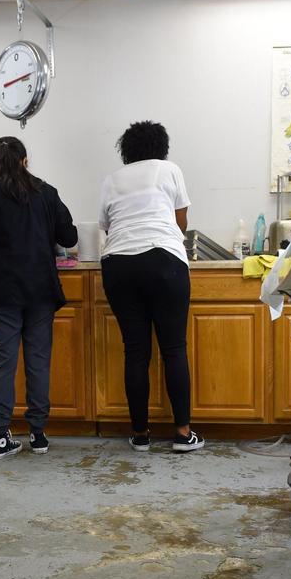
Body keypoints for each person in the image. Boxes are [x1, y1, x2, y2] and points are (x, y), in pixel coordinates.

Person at [0, 137, 77, 461]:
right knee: (38, 361)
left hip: (1, 291)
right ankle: (38, 435)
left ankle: (0, 437)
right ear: (25, 160)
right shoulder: (47, 192)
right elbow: (69, 237)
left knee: (3, 362)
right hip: (41, 289)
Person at [98, 121, 204, 453]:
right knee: (173, 348)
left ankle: (141, 435)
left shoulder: (112, 179)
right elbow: (181, 222)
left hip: (119, 264)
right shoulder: (168, 170)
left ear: (126, 150)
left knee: (136, 351)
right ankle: (183, 434)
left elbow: (107, 224)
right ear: (161, 147)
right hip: (163, 260)